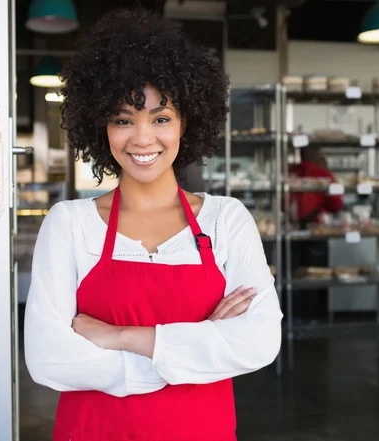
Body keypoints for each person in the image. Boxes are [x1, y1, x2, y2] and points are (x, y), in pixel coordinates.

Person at [24, 8, 283, 441]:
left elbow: (259, 341)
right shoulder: (68, 224)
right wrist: (198, 346)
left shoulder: (227, 221)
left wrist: (121, 336)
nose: (143, 138)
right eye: (124, 119)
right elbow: (47, 358)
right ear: (101, 126)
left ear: (187, 122)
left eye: (161, 118)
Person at [289, 147, 343, 322]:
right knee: (315, 274)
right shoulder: (322, 173)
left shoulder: (291, 172)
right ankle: (313, 316)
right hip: (316, 230)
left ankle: (293, 314)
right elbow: (336, 204)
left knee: (293, 273)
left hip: (291, 229)